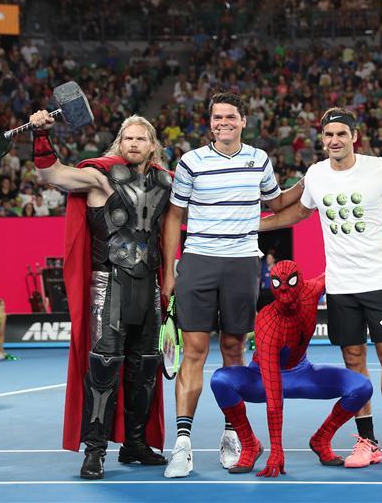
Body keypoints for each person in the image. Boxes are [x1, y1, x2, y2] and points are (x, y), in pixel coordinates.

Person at [260, 107, 382, 470]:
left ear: (354, 137)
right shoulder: (316, 175)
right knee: (354, 361)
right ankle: (367, 441)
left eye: (341, 134)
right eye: (328, 135)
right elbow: (297, 213)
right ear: (323, 138)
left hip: (380, 282)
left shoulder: (379, 169)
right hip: (341, 285)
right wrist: (253, 224)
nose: (334, 140)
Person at [162, 93, 304, 478]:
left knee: (232, 347)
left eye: (230, 117)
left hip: (242, 263)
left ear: (244, 121)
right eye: (216, 117)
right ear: (210, 122)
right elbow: (175, 216)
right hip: (199, 261)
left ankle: (233, 434)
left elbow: (276, 204)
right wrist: (169, 270)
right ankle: (182, 444)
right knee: (193, 350)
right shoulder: (191, 162)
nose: (222, 122)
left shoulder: (259, 160)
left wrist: (313, 181)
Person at [28, 110, 170, 479]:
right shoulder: (99, 178)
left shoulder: (166, 183)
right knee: (103, 369)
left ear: (152, 144)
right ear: (119, 144)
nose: (134, 143)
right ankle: (95, 451)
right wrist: (41, 136)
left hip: (149, 286)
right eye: (128, 138)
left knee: (146, 369)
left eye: (141, 138)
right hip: (110, 287)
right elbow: (52, 173)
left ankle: (135, 444)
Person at [210, 260, 373, 478]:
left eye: (291, 282)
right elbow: (273, 390)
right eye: (278, 284)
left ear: (301, 282)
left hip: (303, 374)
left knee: (362, 387)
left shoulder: (312, 290)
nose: (285, 289)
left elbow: (338, 270)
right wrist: (276, 447)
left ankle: (321, 438)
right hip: (263, 378)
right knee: (220, 381)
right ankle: (250, 445)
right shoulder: (266, 321)